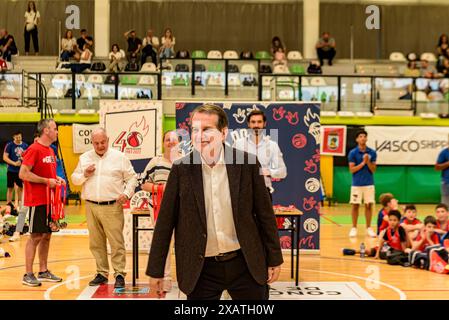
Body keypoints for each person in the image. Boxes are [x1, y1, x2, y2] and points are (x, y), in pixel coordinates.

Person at [146, 104, 283, 300]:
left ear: (223, 133)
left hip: (245, 263)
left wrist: (274, 258)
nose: (199, 135)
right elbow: (165, 223)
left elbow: (265, 214)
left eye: (207, 129)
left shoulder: (247, 164)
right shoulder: (181, 169)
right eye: (194, 130)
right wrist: (156, 270)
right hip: (200, 269)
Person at [71, 128, 138, 288]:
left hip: (112, 206)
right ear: (92, 142)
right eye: (96, 143)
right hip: (91, 206)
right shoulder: (85, 158)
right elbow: (74, 180)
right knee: (96, 243)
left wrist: (127, 194)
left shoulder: (119, 157)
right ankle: (101, 273)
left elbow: (132, 178)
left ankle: (119, 274)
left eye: (103, 142)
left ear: (108, 140)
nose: (100, 145)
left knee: (116, 243)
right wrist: (85, 174)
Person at [19, 119, 65, 286]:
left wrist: (55, 178)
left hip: (49, 201)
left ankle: (43, 270)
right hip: (35, 201)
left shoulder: (51, 150)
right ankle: (28, 274)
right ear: (46, 130)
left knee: (47, 235)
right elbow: (23, 174)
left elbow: (48, 173)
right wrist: (46, 181)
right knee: (35, 236)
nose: (57, 131)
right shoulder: (33, 149)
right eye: (55, 129)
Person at [140, 130, 182, 293]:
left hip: (182, 210)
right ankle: (165, 278)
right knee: (163, 243)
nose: (171, 142)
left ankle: (184, 278)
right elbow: (143, 184)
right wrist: (161, 188)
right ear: (163, 142)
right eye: (167, 140)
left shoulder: (185, 161)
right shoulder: (155, 162)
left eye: (174, 140)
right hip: (159, 209)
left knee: (183, 244)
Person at [233, 109, 287, 199]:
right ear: (248, 124)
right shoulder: (238, 144)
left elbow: (282, 172)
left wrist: (268, 171)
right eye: (253, 122)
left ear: (264, 124)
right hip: (242, 193)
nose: (256, 125)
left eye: (259, 122)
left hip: (264, 192)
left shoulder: (272, 145)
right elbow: (231, 170)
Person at [348, 129, 377, 238]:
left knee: (368, 205)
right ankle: (354, 227)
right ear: (357, 139)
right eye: (360, 136)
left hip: (369, 183)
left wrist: (368, 161)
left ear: (367, 138)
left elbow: (373, 169)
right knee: (355, 205)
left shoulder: (372, 152)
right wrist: (363, 163)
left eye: (364, 136)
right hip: (356, 184)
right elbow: (352, 170)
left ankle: (368, 228)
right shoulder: (353, 153)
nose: (363, 138)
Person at [3, 131, 28, 209]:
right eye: (17, 137)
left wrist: (23, 160)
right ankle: (9, 205)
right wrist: (14, 163)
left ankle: (21, 205)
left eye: (20, 137)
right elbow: (5, 157)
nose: (18, 139)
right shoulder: (10, 145)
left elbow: (28, 157)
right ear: (13, 137)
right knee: (10, 188)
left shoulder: (25, 145)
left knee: (21, 188)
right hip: (11, 170)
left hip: (21, 171)